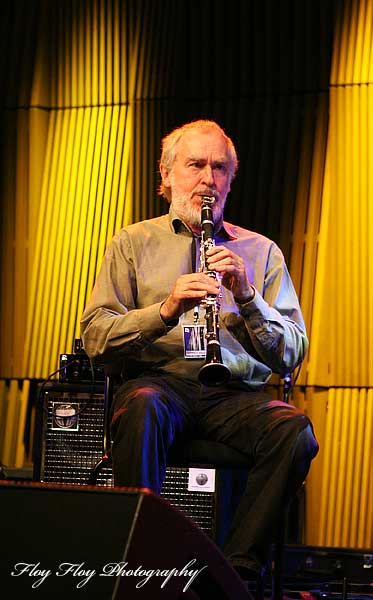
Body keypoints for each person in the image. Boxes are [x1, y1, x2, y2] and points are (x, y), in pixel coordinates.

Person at [80, 119, 318, 582]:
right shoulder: (133, 243)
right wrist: (166, 310)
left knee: (294, 431)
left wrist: (248, 297)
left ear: (231, 179)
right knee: (144, 407)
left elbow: (291, 353)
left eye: (220, 167)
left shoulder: (261, 251)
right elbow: (96, 339)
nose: (208, 178)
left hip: (233, 395)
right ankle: (143, 563)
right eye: (195, 165)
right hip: (160, 383)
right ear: (166, 176)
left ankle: (235, 571)